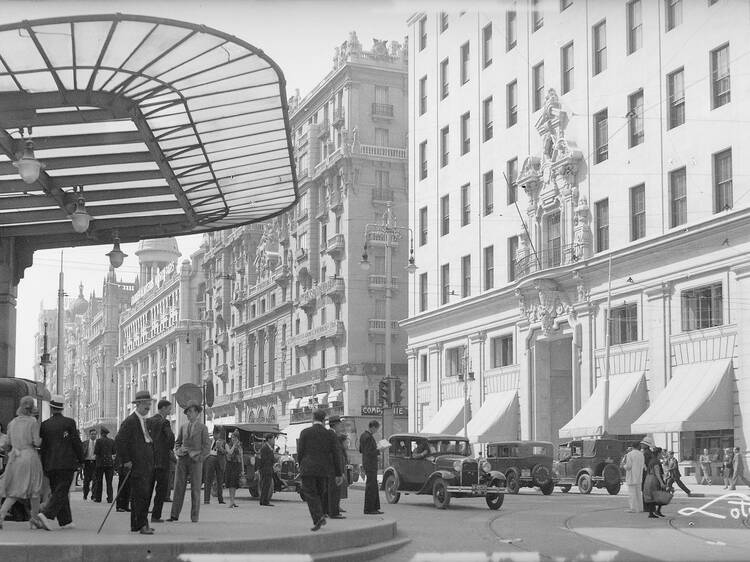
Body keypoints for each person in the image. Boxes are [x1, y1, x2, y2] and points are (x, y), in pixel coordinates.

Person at [37, 395, 84, 531]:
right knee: (62, 491)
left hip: (50, 464)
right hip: (66, 463)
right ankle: (47, 514)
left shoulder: (45, 425)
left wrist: (44, 464)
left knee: (59, 490)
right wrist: (81, 459)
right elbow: (76, 442)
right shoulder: (69, 423)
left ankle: (65, 521)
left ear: (51, 408)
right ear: (62, 408)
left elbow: (43, 447)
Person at [0, 396, 45, 530]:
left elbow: (6, 443)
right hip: (29, 457)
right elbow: (36, 442)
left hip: (15, 459)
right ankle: (35, 518)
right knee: (35, 489)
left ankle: (1, 516)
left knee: (14, 490)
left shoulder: (12, 423)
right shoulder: (32, 422)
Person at [116, 390, 156, 535]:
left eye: (149, 404)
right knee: (141, 495)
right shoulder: (130, 421)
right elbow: (120, 441)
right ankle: (142, 524)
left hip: (146, 463)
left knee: (142, 494)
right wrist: (126, 460)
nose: (148, 407)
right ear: (138, 404)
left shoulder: (144, 421)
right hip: (138, 463)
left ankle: (136, 524)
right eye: (146, 404)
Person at [298, 409, 342, 532]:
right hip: (324, 470)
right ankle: (321, 514)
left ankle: (318, 517)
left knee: (311, 494)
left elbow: (300, 452)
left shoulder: (305, 433)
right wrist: (338, 473)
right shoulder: (330, 434)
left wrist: (300, 464)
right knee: (320, 492)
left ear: (313, 418)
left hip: (308, 468)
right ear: (324, 420)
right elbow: (335, 454)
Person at [169, 400, 209, 523]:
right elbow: (177, 442)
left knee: (196, 489)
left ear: (197, 413)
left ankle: (194, 517)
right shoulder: (183, 426)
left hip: (196, 461)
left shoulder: (203, 428)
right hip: (182, 460)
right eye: (187, 412)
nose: (189, 414)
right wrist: (178, 451)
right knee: (178, 487)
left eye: (191, 411)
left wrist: (200, 458)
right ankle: (174, 515)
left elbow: (207, 446)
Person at [147, 399, 174, 524]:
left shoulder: (148, 421)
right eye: (169, 409)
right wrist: (168, 448)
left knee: (147, 488)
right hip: (162, 461)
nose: (170, 411)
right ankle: (156, 516)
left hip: (149, 460)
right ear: (163, 408)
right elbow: (170, 438)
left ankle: (143, 514)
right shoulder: (165, 422)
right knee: (161, 489)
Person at [326, 416, 348, 519]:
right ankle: (334, 512)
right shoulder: (332, 435)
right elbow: (334, 454)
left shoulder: (331, 434)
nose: (341, 426)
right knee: (334, 490)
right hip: (332, 467)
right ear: (335, 425)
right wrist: (339, 471)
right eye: (339, 424)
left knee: (332, 490)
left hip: (331, 467)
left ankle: (330, 511)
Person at [359, 419, 382, 515]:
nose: (376, 431)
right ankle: (369, 508)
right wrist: (379, 450)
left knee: (373, 485)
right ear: (372, 427)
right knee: (371, 486)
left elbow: (361, 450)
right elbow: (369, 452)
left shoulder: (363, 436)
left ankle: (374, 507)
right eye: (376, 429)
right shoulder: (368, 437)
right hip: (370, 463)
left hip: (367, 462)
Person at [203, 426, 227, 505]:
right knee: (208, 480)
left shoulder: (223, 442)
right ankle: (206, 500)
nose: (216, 436)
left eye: (218, 434)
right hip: (210, 459)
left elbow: (226, 452)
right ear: (213, 434)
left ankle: (220, 499)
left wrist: (220, 449)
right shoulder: (209, 441)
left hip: (219, 460)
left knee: (220, 481)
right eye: (215, 434)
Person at [92, 427, 115, 503]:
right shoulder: (111, 441)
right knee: (109, 482)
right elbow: (113, 452)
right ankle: (110, 498)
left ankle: (98, 498)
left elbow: (96, 452)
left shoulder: (98, 441)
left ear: (101, 433)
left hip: (100, 464)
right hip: (109, 464)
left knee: (99, 481)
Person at [643, 447, 667, 519]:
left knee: (652, 496)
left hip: (648, 478)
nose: (662, 455)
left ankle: (653, 512)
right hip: (654, 480)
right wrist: (662, 483)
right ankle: (656, 511)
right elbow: (657, 473)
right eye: (661, 453)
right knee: (660, 495)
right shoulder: (656, 461)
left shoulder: (651, 460)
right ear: (658, 453)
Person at [622, 441, 644, 513]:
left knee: (632, 493)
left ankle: (633, 508)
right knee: (638, 493)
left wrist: (623, 466)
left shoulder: (630, 454)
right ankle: (640, 508)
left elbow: (628, 466)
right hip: (639, 476)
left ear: (632, 447)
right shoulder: (641, 454)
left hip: (631, 476)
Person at [224, 429, 243, 508]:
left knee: (234, 484)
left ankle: (233, 501)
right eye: (232, 437)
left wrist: (242, 470)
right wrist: (234, 445)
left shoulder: (240, 446)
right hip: (230, 465)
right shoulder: (227, 445)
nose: (233, 439)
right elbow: (229, 452)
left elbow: (241, 457)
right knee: (231, 484)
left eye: (235, 438)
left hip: (237, 466)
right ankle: (231, 501)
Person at [258, 433, 276, 507]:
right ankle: (265, 501)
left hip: (269, 468)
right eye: (273, 439)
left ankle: (263, 500)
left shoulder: (269, 447)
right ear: (269, 439)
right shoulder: (265, 448)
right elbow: (264, 459)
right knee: (266, 485)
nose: (273, 441)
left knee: (266, 485)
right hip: (266, 469)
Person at [81, 428, 98, 500]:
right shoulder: (85, 443)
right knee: (86, 481)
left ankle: (93, 496)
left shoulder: (98, 443)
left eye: (95, 434)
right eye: (92, 434)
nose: (93, 435)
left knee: (95, 480)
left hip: (95, 463)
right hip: (87, 463)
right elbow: (81, 453)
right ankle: (85, 494)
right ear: (89, 435)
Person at [114, 448, 131, 513]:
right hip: (123, 471)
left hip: (130, 472)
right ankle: (119, 506)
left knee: (128, 489)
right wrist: (124, 465)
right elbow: (118, 462)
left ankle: (125, 506)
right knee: (122, 489)